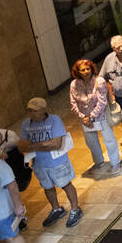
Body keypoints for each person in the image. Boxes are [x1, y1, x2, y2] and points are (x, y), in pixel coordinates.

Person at [18, 97, 82, 229]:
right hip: (39, 164)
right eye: (29, 111)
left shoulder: (54, 120)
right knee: (47, 188)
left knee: (66, 185)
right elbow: (22, 147)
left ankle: (75, 209)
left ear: (43, 110)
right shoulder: (26, 124)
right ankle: (56, 209)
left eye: (35, 111)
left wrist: (33, 145)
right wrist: (44, 144)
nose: (32, 114)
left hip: (57, 162)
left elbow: (57, 144)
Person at [68, 59, 120, 174]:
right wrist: (83, 117)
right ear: (78, 72)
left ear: (92, 69)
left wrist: (91, 117)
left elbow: (102, 102)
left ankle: (115, 163)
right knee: (91, 142)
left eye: (88, 69)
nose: (86, 72)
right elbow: (73, 103)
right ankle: (98, 162)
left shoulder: (99, 81)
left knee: (109, 140)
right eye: (83, 70)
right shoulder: (74, 84)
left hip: (101, 116)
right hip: (84, 119)